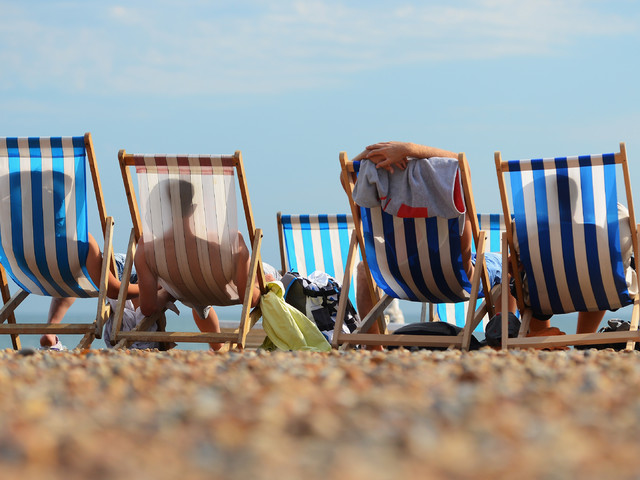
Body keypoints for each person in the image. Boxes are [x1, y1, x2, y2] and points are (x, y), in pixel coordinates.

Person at [349, 141, 517, 346]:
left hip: (397, 279)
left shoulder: (376, 204)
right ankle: (500, 342)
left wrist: (367, 155)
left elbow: (346, 175)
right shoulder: (449, 199)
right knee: (506, 264)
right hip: (456, 280)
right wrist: (410, 149)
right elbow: (461, 164)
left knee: (364, 270)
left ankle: (373, 345)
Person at [134, 178, 277, 351]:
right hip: (223, 288)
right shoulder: (230, 244)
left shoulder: (146, 249)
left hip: (188, 291)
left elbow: (148, 307)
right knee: (276, 278)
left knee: (198, 299)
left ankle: (217, 347)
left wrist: (167, 292)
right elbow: (250, 300)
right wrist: (260, 283)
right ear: (194, 209)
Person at [39, 235, 141, 350]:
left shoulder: (20, 228)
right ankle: (140, 335)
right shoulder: (72, 230)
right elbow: (113, 291)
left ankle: (51, 330)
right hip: (91, 271)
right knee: (145, 271)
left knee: (72, 273)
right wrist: (149, 287)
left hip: (33, 271)